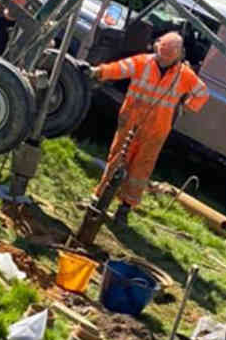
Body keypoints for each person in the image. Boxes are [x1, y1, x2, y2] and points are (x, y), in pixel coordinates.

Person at [83, 31, 209, 226]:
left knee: (140, 170)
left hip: (156, 130)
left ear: (178, 55)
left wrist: (187, 104)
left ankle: (124, 209)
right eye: (161, 54)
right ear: (157, 48)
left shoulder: (185, 75)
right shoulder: (144, 62)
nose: (162, 59)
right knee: (117, 159)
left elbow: (202, 94)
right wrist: (98, 71)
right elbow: (119, 68)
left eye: (167, 56)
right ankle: (99, 200)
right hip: (131, 121)